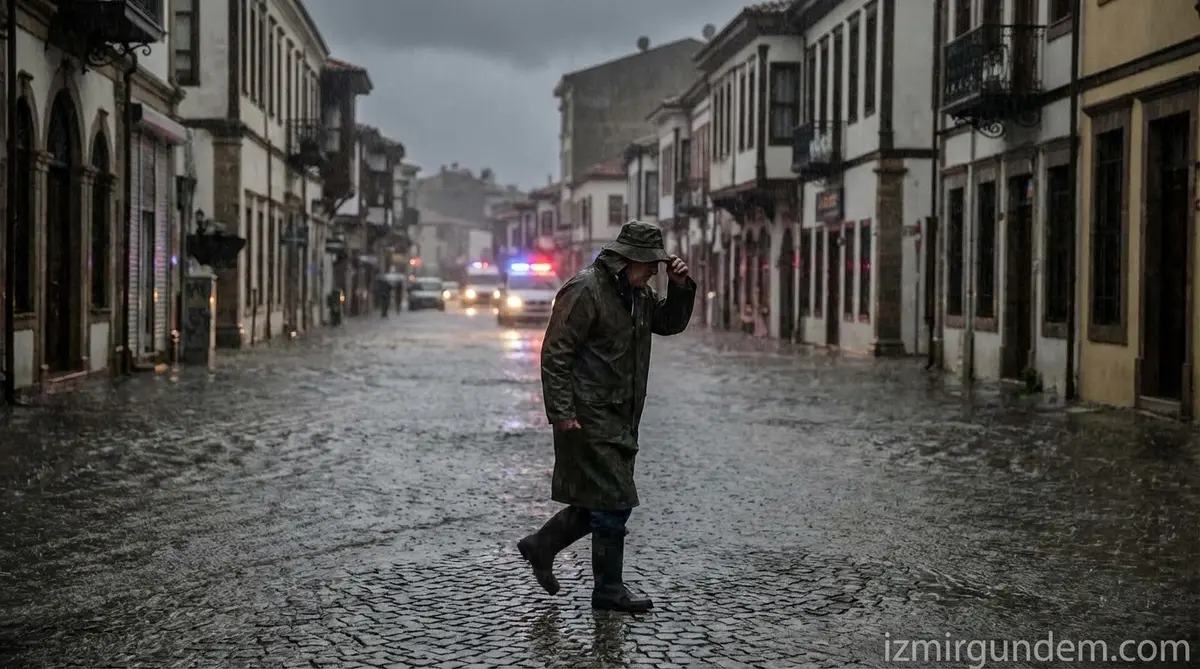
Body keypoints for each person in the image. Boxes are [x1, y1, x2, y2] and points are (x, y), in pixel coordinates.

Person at [517, 220, 696, 613]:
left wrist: (681, 289)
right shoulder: (586, 289)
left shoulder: (637, 294)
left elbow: (667, 324)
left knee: (601, 499)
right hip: (588, 414)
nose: (654, 270)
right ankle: (609, 591)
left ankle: (542, 545)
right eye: (650, 263)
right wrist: (562, 413)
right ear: (628, 259)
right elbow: (555, 354)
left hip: (620, 414)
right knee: (615, 500)